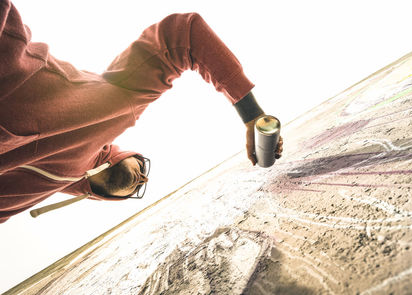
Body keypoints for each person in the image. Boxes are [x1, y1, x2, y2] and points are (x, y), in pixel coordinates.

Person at [0, 1, 283, 223]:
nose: (143, 180)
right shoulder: (111, 111)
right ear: (122, 153)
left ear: (101, 199)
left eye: (138, 190)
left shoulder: (16, 200)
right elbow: (182, 35)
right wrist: (252, 114)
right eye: (143, 168)